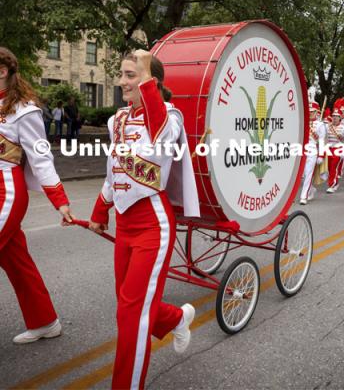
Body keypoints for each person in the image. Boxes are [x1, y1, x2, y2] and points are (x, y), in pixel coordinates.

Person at [88, 49, 200, 390]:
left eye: (130, 75)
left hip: (154, 225)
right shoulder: (117, 120)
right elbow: (114, 171)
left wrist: (147, 68)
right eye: (121, 75)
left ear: (151, 80)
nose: (122, 82)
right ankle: (178, 317)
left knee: (131, 315)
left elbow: (157, 127)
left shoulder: (169, 116)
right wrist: (100, 208)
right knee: (128, 302)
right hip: (125, 224)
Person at [0, 47, 74, 344]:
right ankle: (45, 321)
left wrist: (61, 200)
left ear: (3, 71)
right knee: (16, 260)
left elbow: (42, 159)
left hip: (6, 192)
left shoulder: (25, 111)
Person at [300, 101, 326, 205]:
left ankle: (303, 196)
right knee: (302, 175)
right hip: (301, 150)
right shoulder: (303, 122)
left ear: (317, 112)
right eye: (309, 111)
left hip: (312, 150)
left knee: (308, 174)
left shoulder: (320, 125)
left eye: (312, 111)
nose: (310, 113)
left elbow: (322, 141)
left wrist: (321, 155)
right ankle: (311, 190)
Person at [326, 99, 344, 193]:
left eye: (336, 116)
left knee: (334, 167)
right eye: (333, 116)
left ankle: (331, 185)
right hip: (329, 148)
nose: (334, 118)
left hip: (339, 148)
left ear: (340, 118)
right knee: (329, 168)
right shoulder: (328, 126)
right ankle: (335, 183)